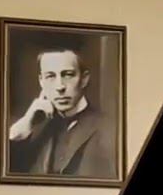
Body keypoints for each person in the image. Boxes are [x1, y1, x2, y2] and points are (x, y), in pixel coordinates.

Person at [7, 46, 116, 178]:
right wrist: (23, 126)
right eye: (50, 76)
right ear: (41, 81)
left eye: (68, 75)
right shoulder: (33, 130)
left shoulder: (109, 129)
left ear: (84, 79)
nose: (60, 86)